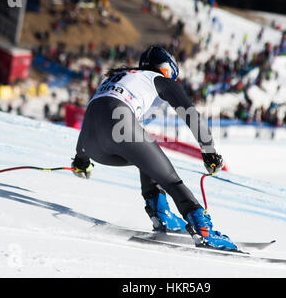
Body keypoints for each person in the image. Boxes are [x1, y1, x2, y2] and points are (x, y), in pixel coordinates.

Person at [71, 45, 237, 251]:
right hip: (117, 125)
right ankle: (203, 230)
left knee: (146, 159)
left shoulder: (119, 77)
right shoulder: (157, 78)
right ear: (167, 70)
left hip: (92, 145)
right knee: (171, 179)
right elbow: (191, 114)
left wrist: (81, 159)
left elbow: (95, 115)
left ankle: (161, 213)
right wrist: (210, 152)